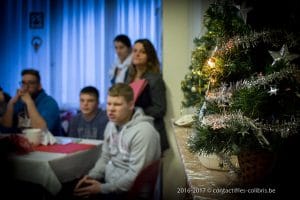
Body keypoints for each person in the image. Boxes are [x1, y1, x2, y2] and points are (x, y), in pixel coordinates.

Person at [73, 83, 161, 199]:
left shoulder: (144, 132)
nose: (111, 109)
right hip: (110, 185)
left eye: (117, 104)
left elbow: (135, 176)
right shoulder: (111, 125)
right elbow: (105, 158)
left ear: (130, 105)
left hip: (129, 192)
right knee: (74, 189)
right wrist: (92, 177)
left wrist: (102, 189)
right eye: (109, 104)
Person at [125, 39, 169, 151]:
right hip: (132, 130)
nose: (137, 54)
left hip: (151, 131)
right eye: (135, 51)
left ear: (149, 56)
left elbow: (160, 109)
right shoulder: (129, 75)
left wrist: (136, 110)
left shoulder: (155, 79)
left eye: (142, 52)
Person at [1, 69, 62, 135]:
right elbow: (5, 130)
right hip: (23, 143)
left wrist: (29, 102)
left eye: (31, 83)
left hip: (49, 144)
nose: (26, 87)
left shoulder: (50, 103)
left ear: (39, 86)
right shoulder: (19, 102)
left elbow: (42, 132)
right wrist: (11, 104)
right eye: (23, 83)